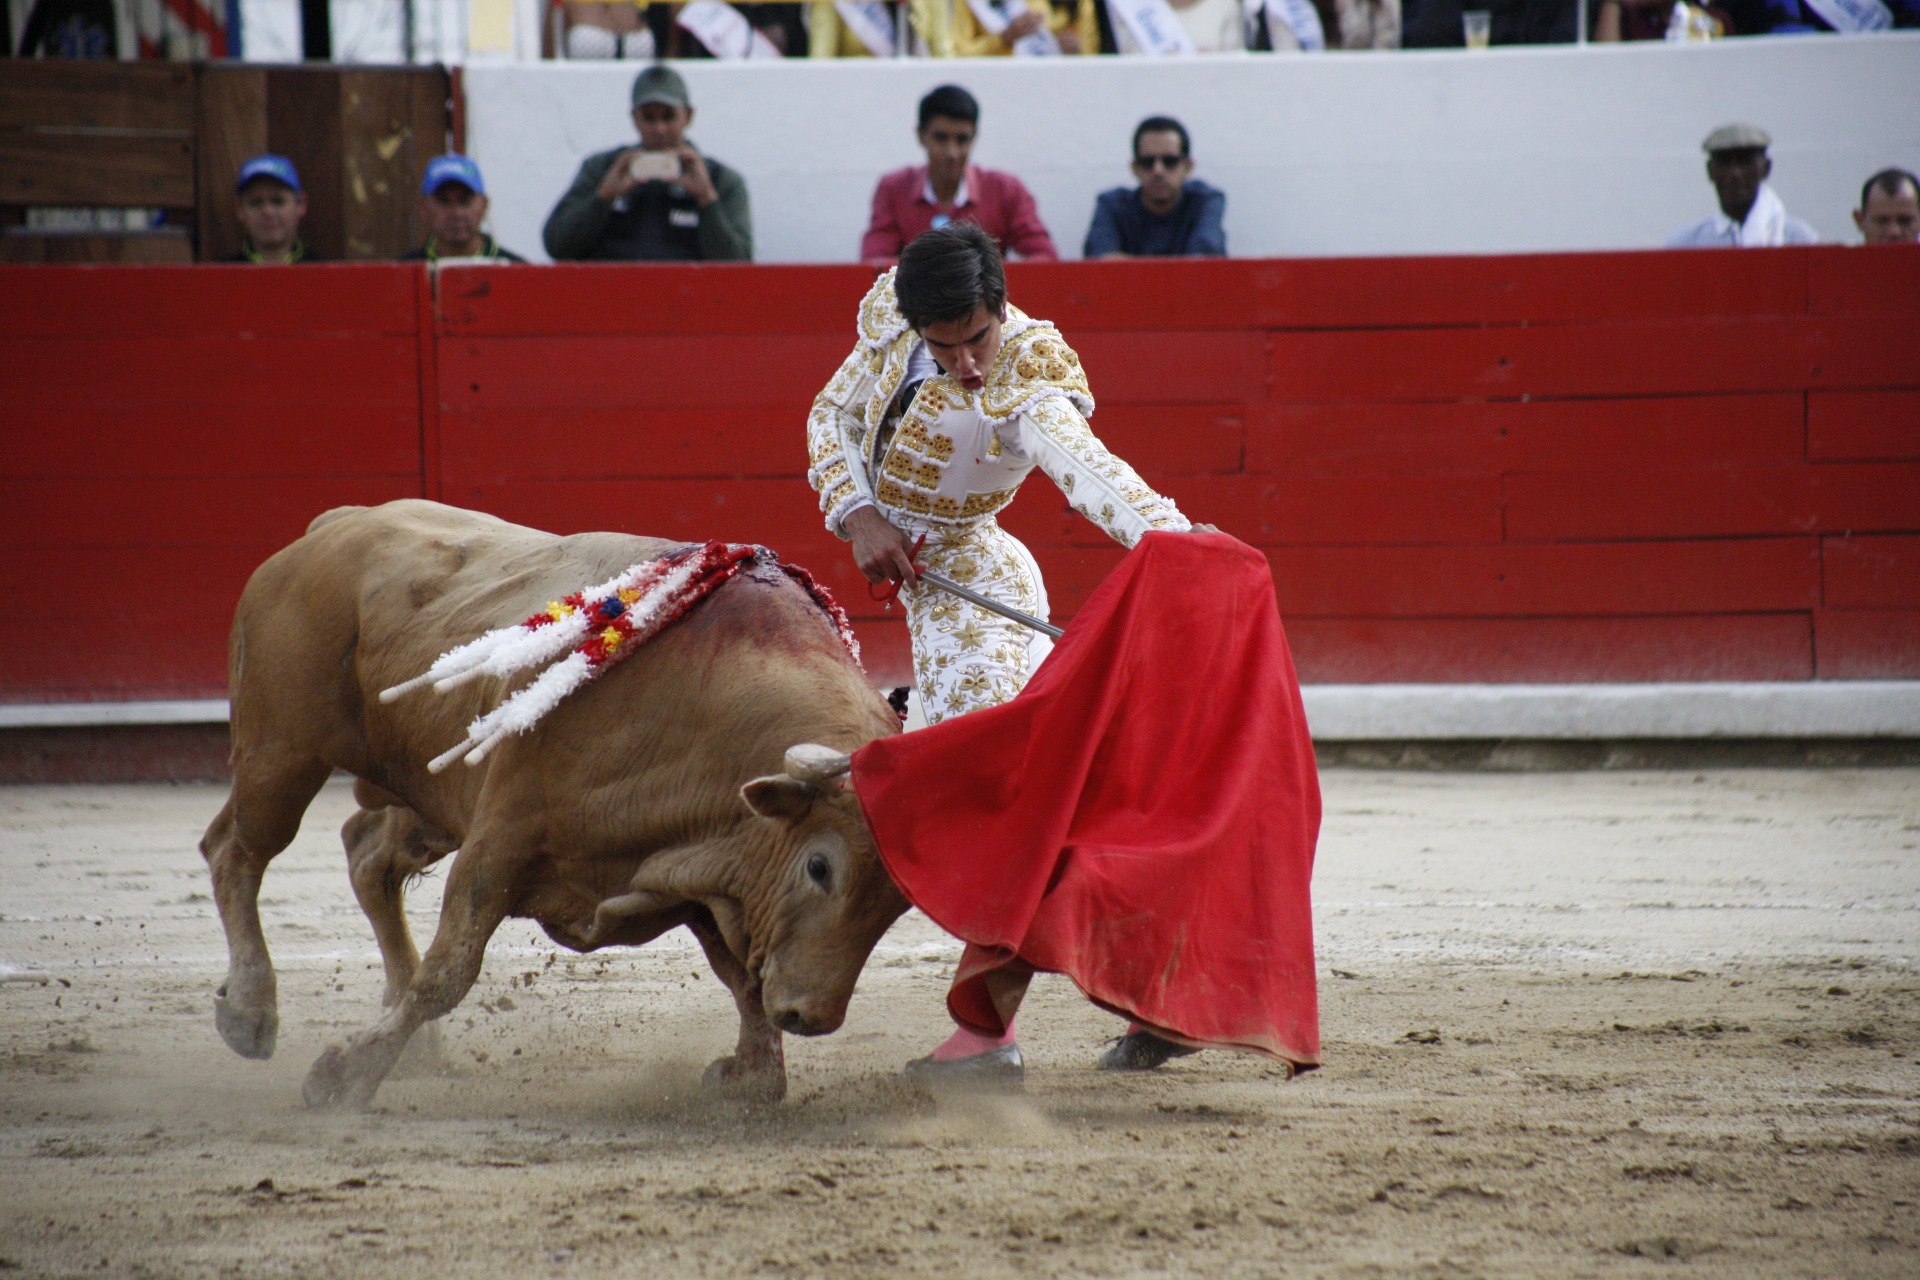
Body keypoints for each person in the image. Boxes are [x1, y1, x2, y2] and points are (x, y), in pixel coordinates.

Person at [805, 224, 1214, 1083]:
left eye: (979, 338)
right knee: (1023, 801)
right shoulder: (891, 316)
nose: (967, 365)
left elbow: (1093, 473)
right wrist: (858, 515)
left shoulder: (1030, 375)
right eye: (944, 346)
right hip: (930, 595)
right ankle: (1160, 997)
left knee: (996, 798)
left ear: (1002, 309)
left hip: (979, 584)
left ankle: (989, 1034)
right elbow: (832, 414)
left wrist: (1179, 545)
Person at [542, 64, 752, 262]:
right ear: (634, 119)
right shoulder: (603, 169)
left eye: (668, 117)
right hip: (611, 295)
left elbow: (739, 266)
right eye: (649, 118)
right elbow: (557, 246)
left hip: (691, 297)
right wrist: (604, 198)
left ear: (687, 116)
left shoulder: (721, 179)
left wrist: (706, 199)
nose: (659, 128)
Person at [859, 85, 1057, 264]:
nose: (951, 152)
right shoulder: (893, 188)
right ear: (921, 136)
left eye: (961, 139)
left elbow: (1045, 258)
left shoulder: (1006, 189)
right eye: (941, 138)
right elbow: (874, 262)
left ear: (974, 139)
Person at [1083, 117, 1227, 259]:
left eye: (1170, 161)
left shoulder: (1205, 201)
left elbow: (1206, 261)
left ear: (1188, 167)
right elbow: (1101, 260)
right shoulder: (1112, 204)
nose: (1158, 171)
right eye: (1147, 162)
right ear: (1134, 168)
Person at [1667, 123, 1817, 249]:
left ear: (1766, 168)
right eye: (1724, 163)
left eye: (1745, 162)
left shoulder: (1797, 239)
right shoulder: (1686, 244)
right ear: (1710, 171)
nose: (1734, 174)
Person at [401, 156, 527, 263]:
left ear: (484, 205)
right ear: (423, 207)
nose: (457, 213)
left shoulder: (519, 272)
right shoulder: (402, 273)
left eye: (465, 201)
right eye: (444, 201)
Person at [225, 155, 318, 264]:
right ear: (240, 209)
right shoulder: (219, 276)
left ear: (301, 204)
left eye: (278, 201)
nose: (268, 212)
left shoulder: (325, 274)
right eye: (255, 203)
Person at [1854, 168, 1920, 246]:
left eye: (1905, 221)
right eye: (1882, 221)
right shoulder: (1842, 258)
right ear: (1860, 221)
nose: (1894, 232)